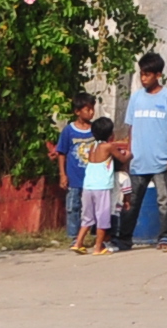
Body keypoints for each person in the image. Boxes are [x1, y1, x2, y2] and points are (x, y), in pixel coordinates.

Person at [113, 51, 167, 250]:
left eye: (147, 74)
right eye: (141, 74)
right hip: (139, 160)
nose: (143, 78)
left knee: (164, 200)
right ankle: (124, 238)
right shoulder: (136, 98)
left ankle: (166, 235)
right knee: (131, 201)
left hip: (161, 160)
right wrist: (129, 153)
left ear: (158, 74)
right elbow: (131, 127)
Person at [52, 93, 98, 247]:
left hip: (92, 178)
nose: (91, 112)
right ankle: (74, 236)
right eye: (88, 109)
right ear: (77, 111)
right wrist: (62, 174)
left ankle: (92, 234)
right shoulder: (68, 131)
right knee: (73, 207)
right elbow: (61, 153)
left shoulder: (95, 130)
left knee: (91, 207)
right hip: (74, 177)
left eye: (93, 109)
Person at [72, 118, 122, 254]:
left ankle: (78, 242)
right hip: (102, 187)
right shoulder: (108, 146)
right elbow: (122, 158)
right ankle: (98, 247)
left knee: (87, 216)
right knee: (103, 217)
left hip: (88, 186)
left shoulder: (92, 147)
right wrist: (129, 155)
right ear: (110, 134)